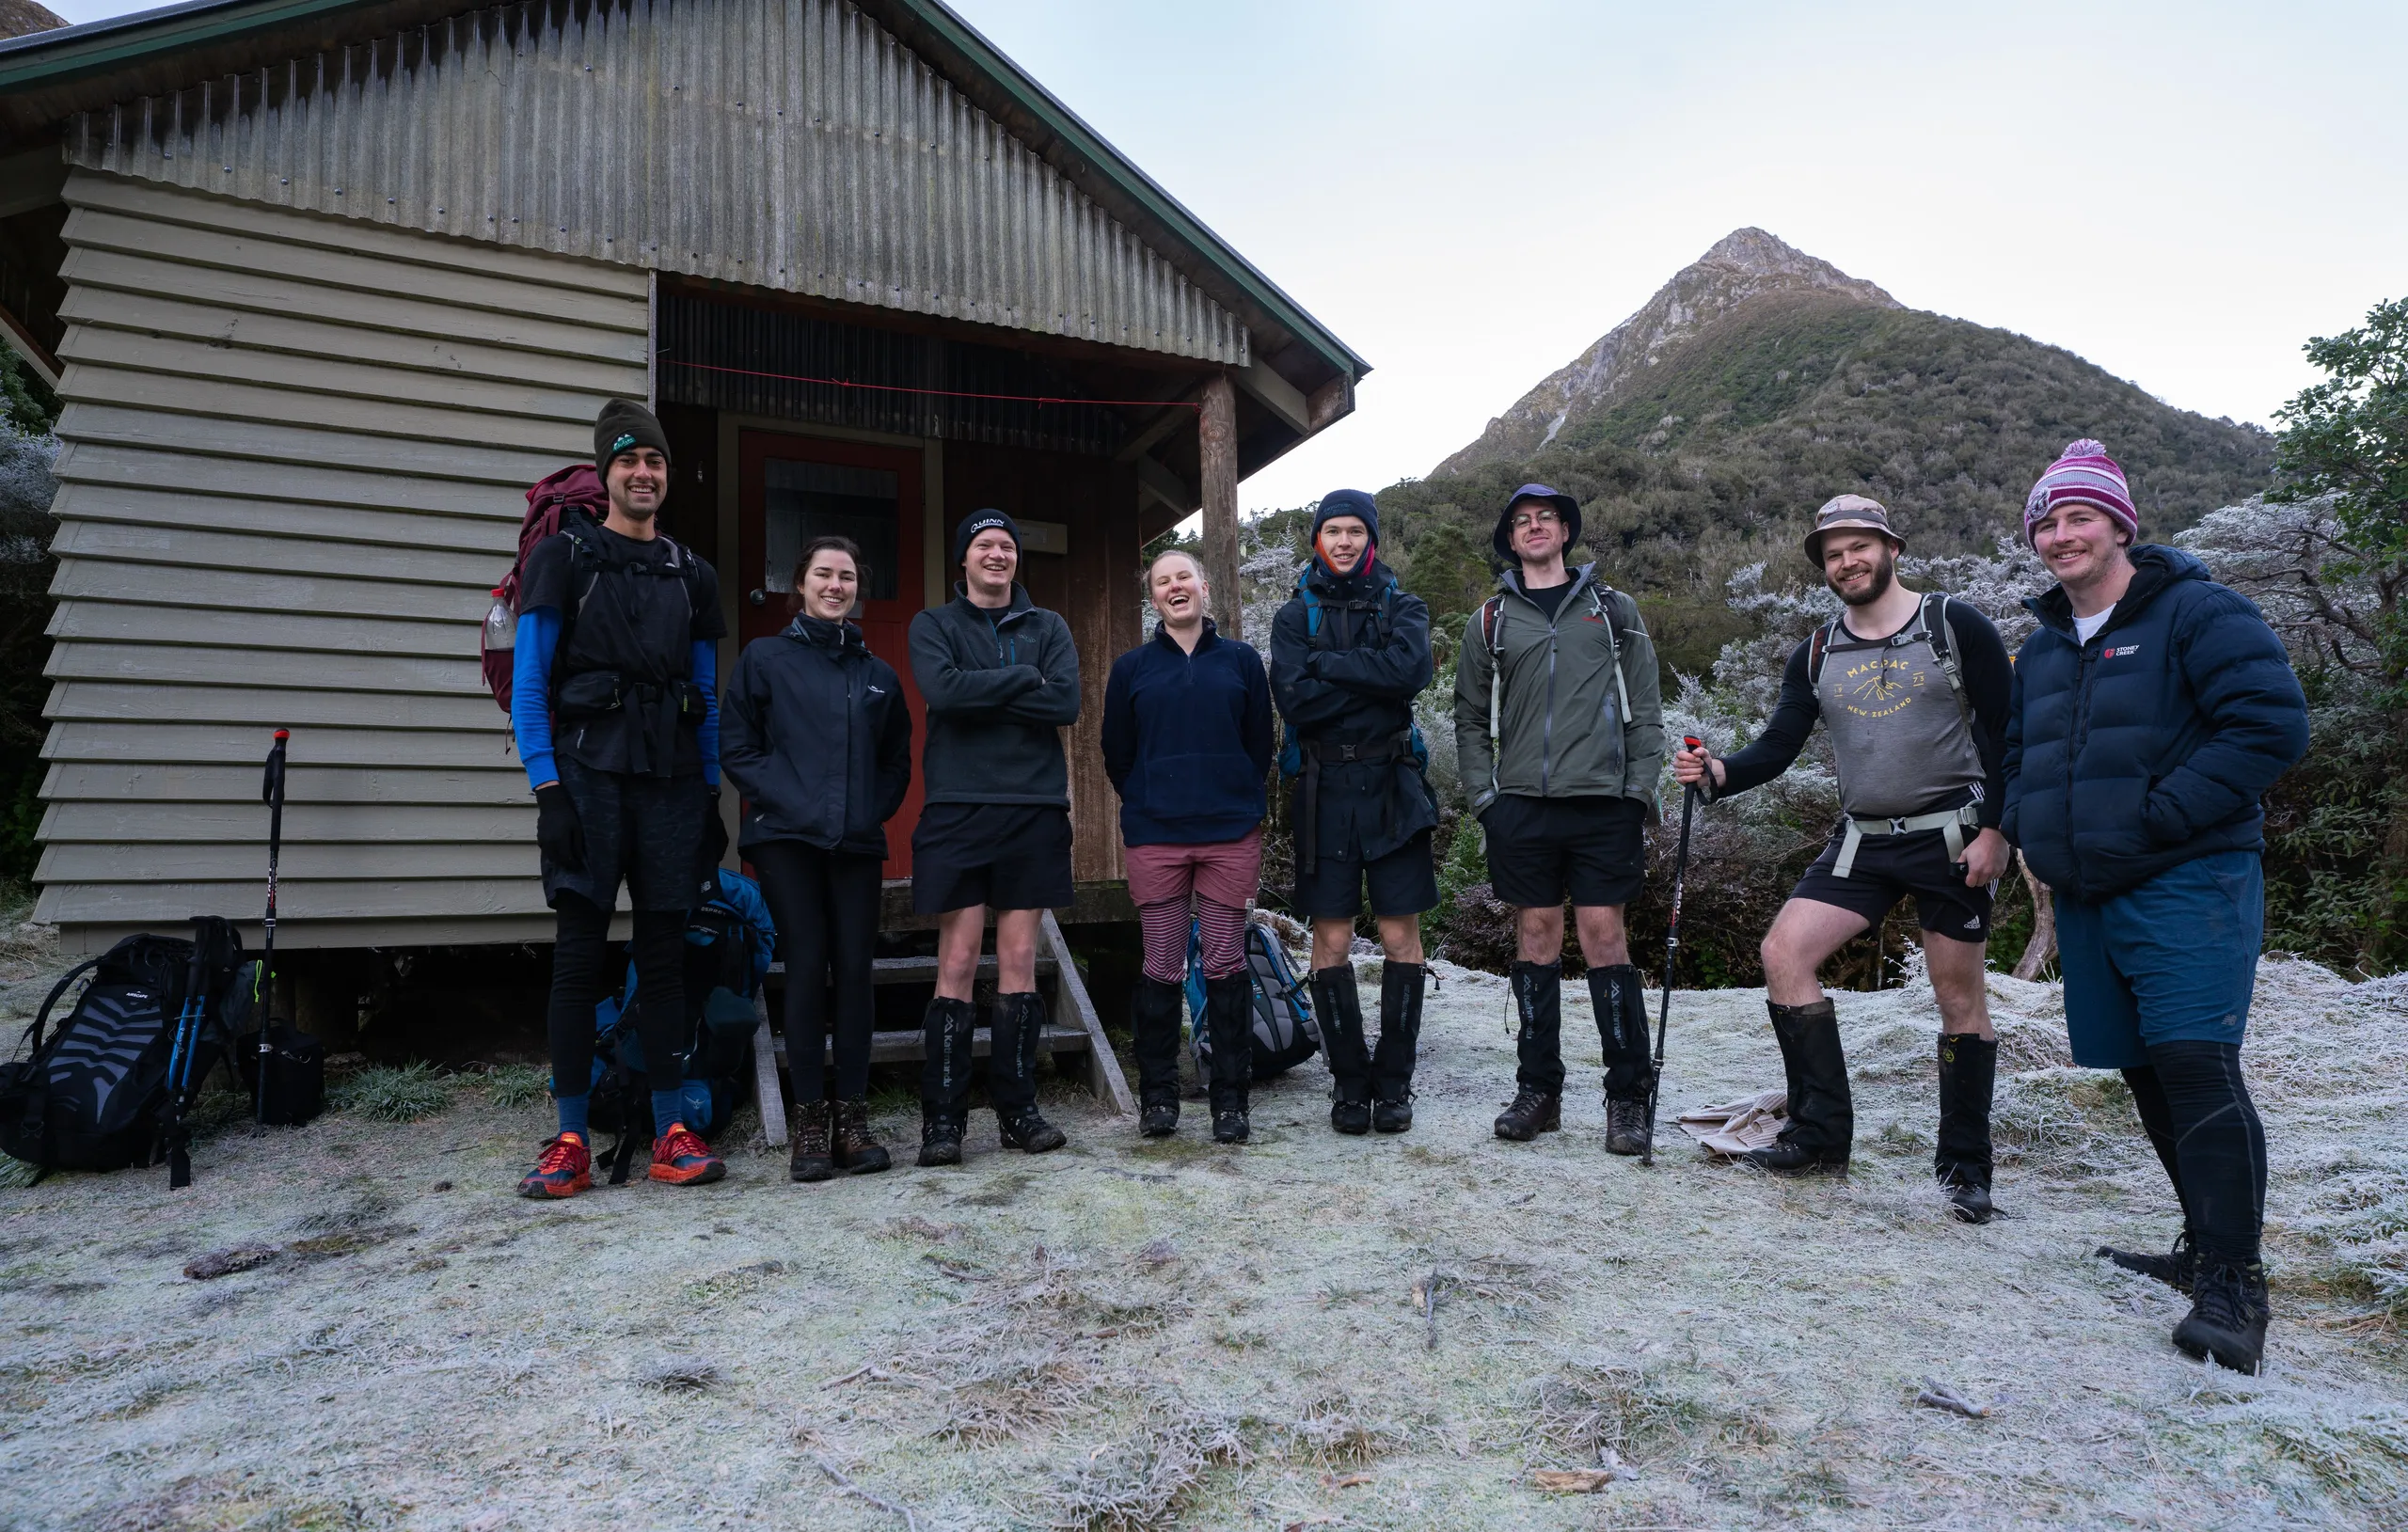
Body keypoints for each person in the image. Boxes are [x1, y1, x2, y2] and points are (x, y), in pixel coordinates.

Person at [2004, 439, 2307, 1372]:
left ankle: (2233, 1283)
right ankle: (2200, 1244)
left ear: (2119, 524)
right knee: (2141, 1068)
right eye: (2045, 523)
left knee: (2195, 1062)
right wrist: (2024, 827)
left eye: (2077, 517)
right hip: (2090, 893)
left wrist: (2157, 816)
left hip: (2188, 879)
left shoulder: (2198, 611)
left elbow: (2271, 725)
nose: (2061, 535)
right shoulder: (2045, 647)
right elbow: (2019, 755)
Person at [1671, 496, 2013, 1216]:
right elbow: (1780, 742)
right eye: (1832, 553)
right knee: (1783, 954)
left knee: (1958, 999)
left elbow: (2012, 734)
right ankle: (1820, 1136)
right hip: (1862, 838)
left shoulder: (1954, 625)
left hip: (1951, 836)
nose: (1847, 561)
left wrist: (1999, 831)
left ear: (1892, 547)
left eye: (1860, 545)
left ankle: (1965, 1168)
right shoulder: (1820, 649)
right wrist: (1721, 773)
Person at [514, 399, 728, 1197]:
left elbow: (703, 696)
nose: (645, 473)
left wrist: (708, 800)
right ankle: (569, 1137)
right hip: (586, 780)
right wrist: (547, 791)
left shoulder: (692, 574)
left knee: (664, 961)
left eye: (657, 462)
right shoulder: (564, 560)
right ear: (606, 472)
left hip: (670, 785)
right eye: (631, 461)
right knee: (577, 959)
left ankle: (673, 1129)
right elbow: (531, 685)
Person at [1454, 484, 1666, 1153]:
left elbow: (1649, 710)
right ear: (1510, 540)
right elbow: (1466, 716)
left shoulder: (1614, 610)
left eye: (1546, 518)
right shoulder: (1489, 620)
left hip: (1604, 804)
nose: (1535, 527)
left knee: (1605, 935)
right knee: (1536, 936)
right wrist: (1485, 798)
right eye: (1522, 521)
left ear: (1566, 530)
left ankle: (1628, 1096)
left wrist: (1637, 791)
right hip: (1520, 806)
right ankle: (1538, 1090)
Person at [722, 535, 912, 1183]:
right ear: (799, 583)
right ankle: (810, 1120)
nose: (836, 585)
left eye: (847, 576)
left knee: (854, 970)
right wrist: (796, 805)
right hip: (785, 842)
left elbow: (896, 762)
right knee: (806, 967)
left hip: (855, 843)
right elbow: (738, 747)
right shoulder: (765, 659)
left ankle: (852, 1118)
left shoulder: (878, 675)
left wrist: (865, 811)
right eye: (823, 574)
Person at [907, 510, 1082, 1165]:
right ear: (964, 559)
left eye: (1007, 545)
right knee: (955, 962)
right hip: (957, 807)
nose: (998, 554)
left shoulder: (1051, 627)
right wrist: (1022, 680)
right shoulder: (934, 625)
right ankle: (943, 1123)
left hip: (1033, 807)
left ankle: (1018, 1113)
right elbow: (943, 693)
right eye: (985, 545)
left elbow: (1065, 703)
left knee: (1017, 962)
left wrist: (988, 691)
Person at [1270, 489, 1437, 1135]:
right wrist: (1371, 681)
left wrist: (1329, 668)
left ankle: (1393, 1085)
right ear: (1318, 538)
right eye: (1331, 530)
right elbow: (1298, 702)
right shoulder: (1293, 617)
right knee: (1330, 940)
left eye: (1354, 531)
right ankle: (1348, 1085)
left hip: (1393, 785)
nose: (1342, 541)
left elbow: (1412, 668)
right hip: (1323, 790)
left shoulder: (1405, 604)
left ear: (1371, 538)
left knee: (1401, 937)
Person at [1101, 549, 1275, 1144]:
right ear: (1153, 598)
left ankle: (1230, 1100)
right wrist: (1151, 798)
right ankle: (1159, 1099)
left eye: (1184, 577)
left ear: (1204, 587)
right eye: (1162, 581)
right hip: (1157, 834)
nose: (1175, 587)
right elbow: (1117, 753)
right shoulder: (1131, 669)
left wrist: (1234, 794)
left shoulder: (1243, 661)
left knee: (1226, 961)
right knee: (1161, 963)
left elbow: (1260, 745)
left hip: (1229, 832)